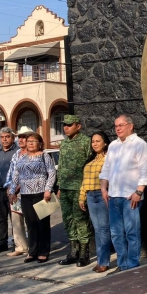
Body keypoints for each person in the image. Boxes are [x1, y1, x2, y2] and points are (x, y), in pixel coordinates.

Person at [100, 114, 147, 275]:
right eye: (116, 126)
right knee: (116, 234)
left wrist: (139, 191)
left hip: (131, 197)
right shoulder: (113, 145)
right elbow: (106, 168)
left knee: (131, 232)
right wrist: (103, 188)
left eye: (121, 125)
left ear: (131, 126)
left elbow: (145, 171)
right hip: (113, 196)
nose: (118, 129)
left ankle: (132, 264)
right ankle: (122, 265)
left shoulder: (140, 145)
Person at [9, 133, 56, 263]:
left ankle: (43, 251)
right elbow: (15, 175)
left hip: (41, 194)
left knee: (42, 224)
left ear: (40, 143)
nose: (30, 143)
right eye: (29, 141)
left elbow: (51, 173)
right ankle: (32, 251)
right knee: (31, 224)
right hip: (25, 194)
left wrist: (48, 189)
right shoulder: (21, 157)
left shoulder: (44, 156)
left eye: (34, 141)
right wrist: (12, 192)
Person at [56, 114, 93, 267]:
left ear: (78, 126)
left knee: (81, 220)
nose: (66, 127)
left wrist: (85, 188)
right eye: (64, 125)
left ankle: (84, 253)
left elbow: (90, 165)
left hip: (79, 188)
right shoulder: (63, 144)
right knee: (68, 220)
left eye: (69, 125)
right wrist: (59, 186)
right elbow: (61, 165)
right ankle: (73, 251)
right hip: (65, 188)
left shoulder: (86, 142)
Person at [79, 131, 112, 273]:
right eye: (93, 141)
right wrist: (82, 197)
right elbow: (85, 181)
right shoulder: (90, 161)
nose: (95, 144)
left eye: (98, 141)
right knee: (97, 230)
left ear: (105, 143)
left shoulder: (109, 159)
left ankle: (104, 261)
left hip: (102, 194)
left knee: (104, 230)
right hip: (90, 197)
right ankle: (100, 260)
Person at [4, 126, 32, 257]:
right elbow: (10, 173)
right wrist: (10, 189)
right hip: (15, 192)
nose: (21, 140)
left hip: (29, 191)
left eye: (24, 137)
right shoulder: (16, 154)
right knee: (16, 220)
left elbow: (28, 175)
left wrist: (15, 189)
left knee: (31, 220)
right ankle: (21, 246)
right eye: (19, 137)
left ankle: (34, 246)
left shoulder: (33, 153)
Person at [0, 127, 19, 254]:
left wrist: (14, 189)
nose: (5, 139)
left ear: (12, 138)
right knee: (0, 218)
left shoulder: (18, 152)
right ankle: (2, 243)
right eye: (2, 137)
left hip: (13, 191)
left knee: (15, 218)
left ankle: (17, 243)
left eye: (7, 136)